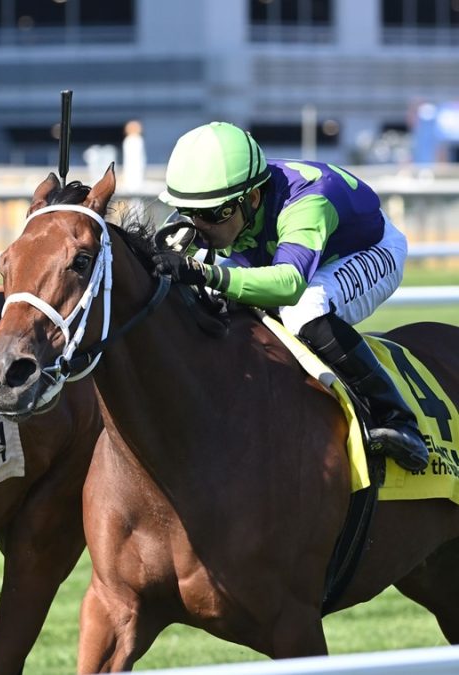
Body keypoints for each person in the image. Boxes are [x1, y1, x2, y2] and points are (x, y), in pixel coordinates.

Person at [153, 121, 428, 472]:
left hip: (367, 251)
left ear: (252, 198)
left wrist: (207, 272)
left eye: (210, 214)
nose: (198, 225)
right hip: (285, 249)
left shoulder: (308, 202)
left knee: (303, 310)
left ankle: (397, 418)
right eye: (188, 212)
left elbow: (289, 284)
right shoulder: (228, 203)